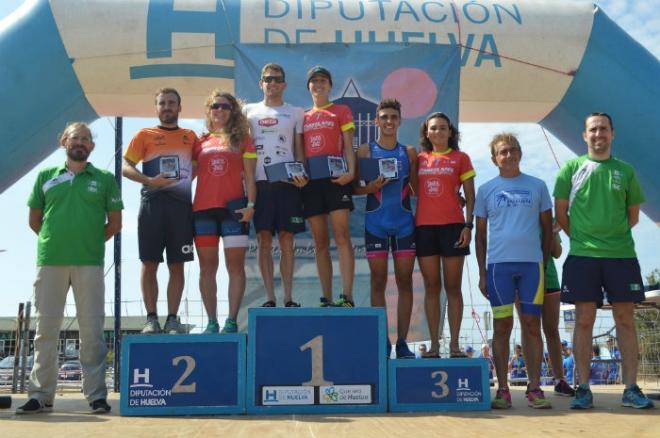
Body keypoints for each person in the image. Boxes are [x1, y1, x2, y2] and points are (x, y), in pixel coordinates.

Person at [17, 122, 122, 414]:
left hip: (89, 262)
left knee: (92, 332)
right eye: (75, 137)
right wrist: (56, 240)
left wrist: (86, 241)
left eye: (86, 139)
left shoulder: (103, 179)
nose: (81, 142)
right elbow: (34, 220)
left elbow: (115, 224)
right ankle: (40, 395)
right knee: (45, 331)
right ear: (64, 141)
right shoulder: (45, 176)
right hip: (50, 261)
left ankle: (97, 396)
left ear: (92, 146)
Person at [555, 112, 653, 409]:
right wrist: (582, 239)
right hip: (582, 256)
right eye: (593, 130)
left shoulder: (626, 170)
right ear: (584, 135)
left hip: (621, 256)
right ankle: (583, 388)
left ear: (612, 134)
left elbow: (633, 216)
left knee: (625, 320)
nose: (598, 134)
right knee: (584, 322)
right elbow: (561, 214)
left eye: (603, 129)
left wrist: (611, 237)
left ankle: (631, 388)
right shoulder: (570, 169)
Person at [475, 133, 553, 409]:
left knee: (532, 325)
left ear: (520, 153)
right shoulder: (486, 190)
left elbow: (547, 227)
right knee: (502, 326)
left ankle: (534, 388)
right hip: (498, 269)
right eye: (502, 152)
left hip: (532, 267)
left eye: (512, 150)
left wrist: (541, 261)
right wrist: (483, 273)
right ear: (494, 158)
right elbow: (480, 236)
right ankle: (503, 389)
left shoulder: (538, 185)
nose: (508, 155)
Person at [123, 88, 198, 334]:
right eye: (162, 103)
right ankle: (151, 318)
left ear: (179, 107)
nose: (167, 107)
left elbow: (199, 163)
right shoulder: (144, 134)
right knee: (150, 262)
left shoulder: (190, 136)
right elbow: (125, 166)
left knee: (177, 265)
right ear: (156, 108)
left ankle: (173, 319)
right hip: (152, 205)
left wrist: (184, 178)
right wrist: (150, 180)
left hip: (180, 208)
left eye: (171, 103)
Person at [354, 99, 417, 358]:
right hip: (375, 223)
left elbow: (416, 189)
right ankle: (383, 340)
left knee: (405, 282)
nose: (389, 121)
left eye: (393, 117)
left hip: (404, 224)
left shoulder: (409, 152)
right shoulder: (365, 151)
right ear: (376, 121)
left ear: (400, 121)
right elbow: (355, 189)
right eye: (384, 117)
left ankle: (402, 342)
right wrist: (370, 188)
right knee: (378, 281)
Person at [193, 90, 257, 333]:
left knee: (235, 267)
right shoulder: (199, 142)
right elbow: (188, 175)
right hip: (203, 210)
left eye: (225, 106)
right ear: (209, 111)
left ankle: (231, 321)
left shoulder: (243, 140)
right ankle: (211, 321)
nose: (220, 110)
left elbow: (251, 177)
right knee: (207, 268)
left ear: (233, 112)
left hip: (234, 210)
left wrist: (251, 206)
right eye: (215, 106)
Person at [244, 63, 307, 308]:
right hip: (260, 183)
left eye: (276, 79)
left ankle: (288, 297)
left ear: (284, 85)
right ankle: (270, 297)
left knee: (287, 239)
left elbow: (299, 150)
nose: (272, 83)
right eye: (267, 79)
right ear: (261, 83)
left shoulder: (295, 112)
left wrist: (301, 173)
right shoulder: (248, 111)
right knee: (264, 240)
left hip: (288, 183)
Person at [415, 112, 475, 358]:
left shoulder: (461, 158)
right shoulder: (418, 159)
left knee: (453, 287)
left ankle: (455, 346)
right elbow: (410, 188)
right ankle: (435, 346)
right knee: (431, 287)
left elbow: (470, 197)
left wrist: (468, 226)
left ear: (450, 132)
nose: (438, 132)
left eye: (442, 128)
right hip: (424, 227)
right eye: (433, 128)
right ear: (426, 133)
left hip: (453, 226)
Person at [302, 66, 356, 307]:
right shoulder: (303, 116)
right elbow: (300, 150)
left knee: (342, 236)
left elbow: (347, 145)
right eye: (314, 81)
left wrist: (351, 172)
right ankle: (326, 297)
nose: (318, 84)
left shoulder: (341, 110)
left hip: (337, 179)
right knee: (320, 241)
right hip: (311, 182)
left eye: (323, 80)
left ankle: (347, 296)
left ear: (330, 85)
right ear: (309, 87)